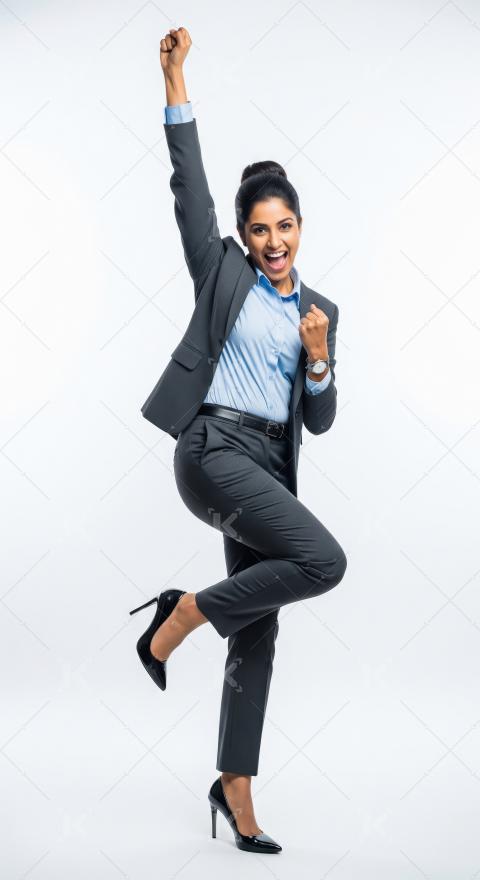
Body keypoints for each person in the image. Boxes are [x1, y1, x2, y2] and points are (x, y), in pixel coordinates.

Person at [130, 26, 347, 854]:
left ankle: (235, 790)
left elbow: (320, 422)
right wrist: (176, 80)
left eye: (285, 226)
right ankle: (182, 615)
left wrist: (320, 360)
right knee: (325, 563)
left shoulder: (320, 311)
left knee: (260, 627)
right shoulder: (223, 271)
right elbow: (189, 191)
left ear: (301, 225)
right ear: (247, 236)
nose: (274, 241)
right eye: (261, 229)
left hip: (268, 469)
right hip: (211, 449)